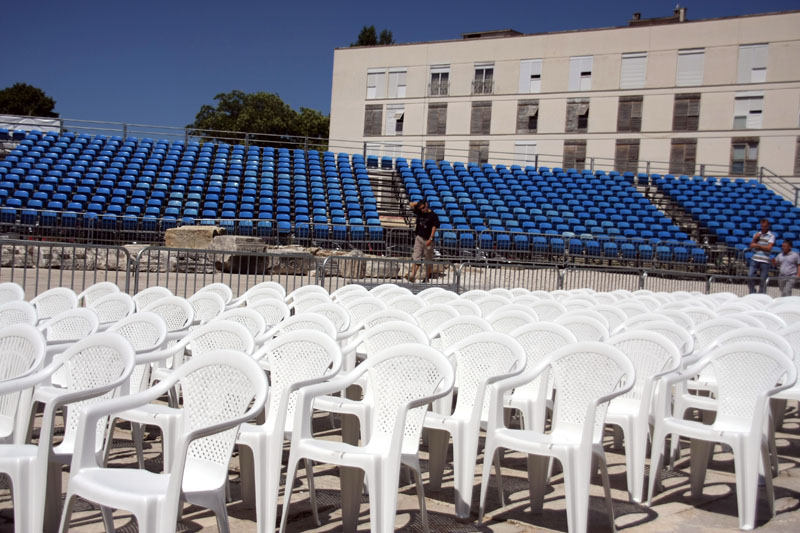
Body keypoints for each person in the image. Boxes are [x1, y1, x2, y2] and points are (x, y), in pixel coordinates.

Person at [408, 199, 439, 282]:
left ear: (427, 205)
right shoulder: (419, 211)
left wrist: (431, 238)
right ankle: (413, 275)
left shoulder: (433, 215)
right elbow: (410, 204)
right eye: (420, 209)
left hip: (428, 239)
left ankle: (427, 277)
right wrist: (418, 204)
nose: (421, 210)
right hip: (419, 237)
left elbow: (434, 227)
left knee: (428, 259)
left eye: (423, 208)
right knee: (416, 256)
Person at [747, 218, 775, 294]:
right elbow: (751, 246)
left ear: (768, 226)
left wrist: (758, 245)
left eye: (765, 226)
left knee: (763, 279)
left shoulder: (771, 236)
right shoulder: (757, 234)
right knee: (750, 276)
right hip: (755, 258)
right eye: (762, 226)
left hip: (765, 260)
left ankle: (761, 293)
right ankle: (752, 291)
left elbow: (769, 248)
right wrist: (755, 239)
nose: (763, 228)